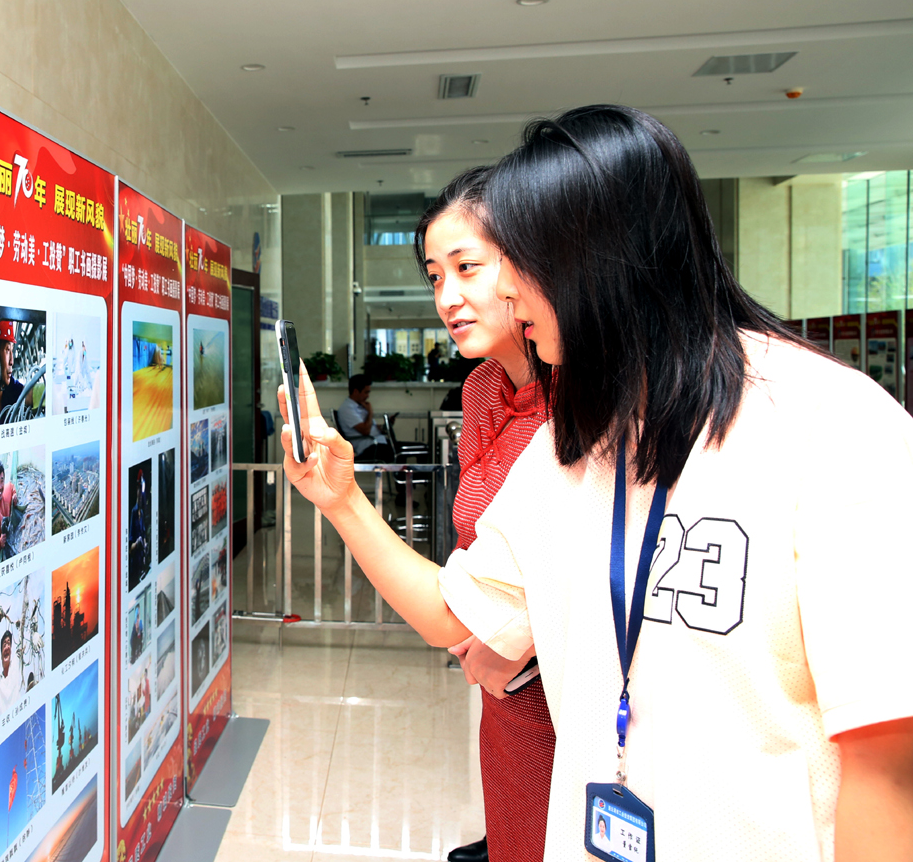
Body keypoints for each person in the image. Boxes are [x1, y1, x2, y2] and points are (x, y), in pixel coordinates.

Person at [280, 105, 913, 861]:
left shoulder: (832, 425)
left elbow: (889, 764)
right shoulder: (570, 445)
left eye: (514, 262)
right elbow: (457, 614)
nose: (505, 294)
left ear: (595, 257)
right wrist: (343, 499)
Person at [416, 166, 554, 862]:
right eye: (435, 276)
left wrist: (514, 640)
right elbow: (476, 543)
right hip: (500, 692)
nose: (449, 297)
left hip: (563, 694)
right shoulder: (481, 389)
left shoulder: (590, 405)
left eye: (467, 267)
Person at [335, 374, 393, 462]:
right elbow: (366, 430)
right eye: (366, 392)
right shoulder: (347, 409)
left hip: (378, 442)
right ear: (355, 391)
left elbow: (371, 427)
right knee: (396, 451)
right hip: (367, 446)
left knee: (404, 447)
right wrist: (370, 413)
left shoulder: (361, 406)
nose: (368, 396)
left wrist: (385, 426)